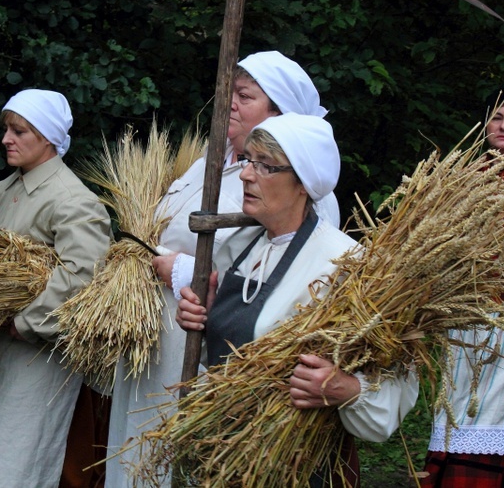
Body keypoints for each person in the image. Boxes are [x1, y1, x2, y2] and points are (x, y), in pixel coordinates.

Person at [104, 50, 340, 486]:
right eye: (230, 90)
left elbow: (292, 269)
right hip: (153, 342)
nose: (229, 101)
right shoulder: (206, 164)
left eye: (245, 95)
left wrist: (183, 272)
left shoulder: (303, 187)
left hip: (201, 347)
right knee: (132, 448)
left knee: (168, 457)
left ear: (280, 115)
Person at [175, 113, 419, 486]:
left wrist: (349, 389)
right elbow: (232, 353)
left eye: (265, 166)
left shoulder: (346, 264)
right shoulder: (241, 245)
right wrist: (204, 319)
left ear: (302, 183)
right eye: (247, 160)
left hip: (296, 467)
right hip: (225, 459)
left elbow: (399, 375)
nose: (245, 174)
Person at [0, 89, 112, 487]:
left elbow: (83, 278)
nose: (6, 139)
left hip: (40, 356)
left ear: (48, 137)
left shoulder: (73, 201)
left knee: (24, 458)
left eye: (19, 131)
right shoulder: (4, 190)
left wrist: (24, 325)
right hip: (4, 347)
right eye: (7, 129)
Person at [421, 82, 504, 487]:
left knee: (491, 410)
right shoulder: (467, 177)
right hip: (461, 313)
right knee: (454, 404)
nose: (503, 126)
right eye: (497, 117)